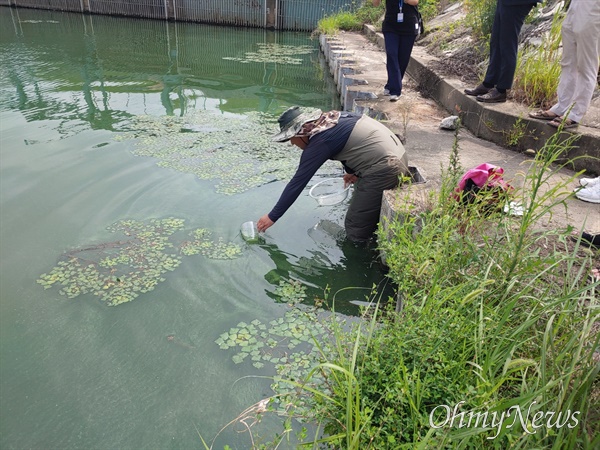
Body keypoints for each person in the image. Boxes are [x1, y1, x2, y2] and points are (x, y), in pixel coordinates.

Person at [256, 106, 409, 242]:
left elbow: (297, 183)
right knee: (362, 203)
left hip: (388, 167)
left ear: (301, 132)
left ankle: (358, 256)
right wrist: (351, 172)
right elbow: (347, 142)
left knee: (354, 225)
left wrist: (272, 216)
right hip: (399, 155)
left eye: (291, 139)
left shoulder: (319, 142)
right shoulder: (332, 119)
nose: (292, 143)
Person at [528, 0, 600, 129]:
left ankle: (575, 114)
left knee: (586, 66)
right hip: (575, 8)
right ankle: (562, 107)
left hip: (593, 12)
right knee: (567, 63)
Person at [464, 0, 541, 103]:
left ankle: (501, 90)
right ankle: (488, 83)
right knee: (496, 41)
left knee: (507, 44)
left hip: (518, 3)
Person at [372, 0, 420, 102]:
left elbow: (415, 2)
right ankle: (395, 90)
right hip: (391, 25)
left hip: (409, 25)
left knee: (403, 59)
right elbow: (375, 4)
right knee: (391, 53)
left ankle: (391, 84)